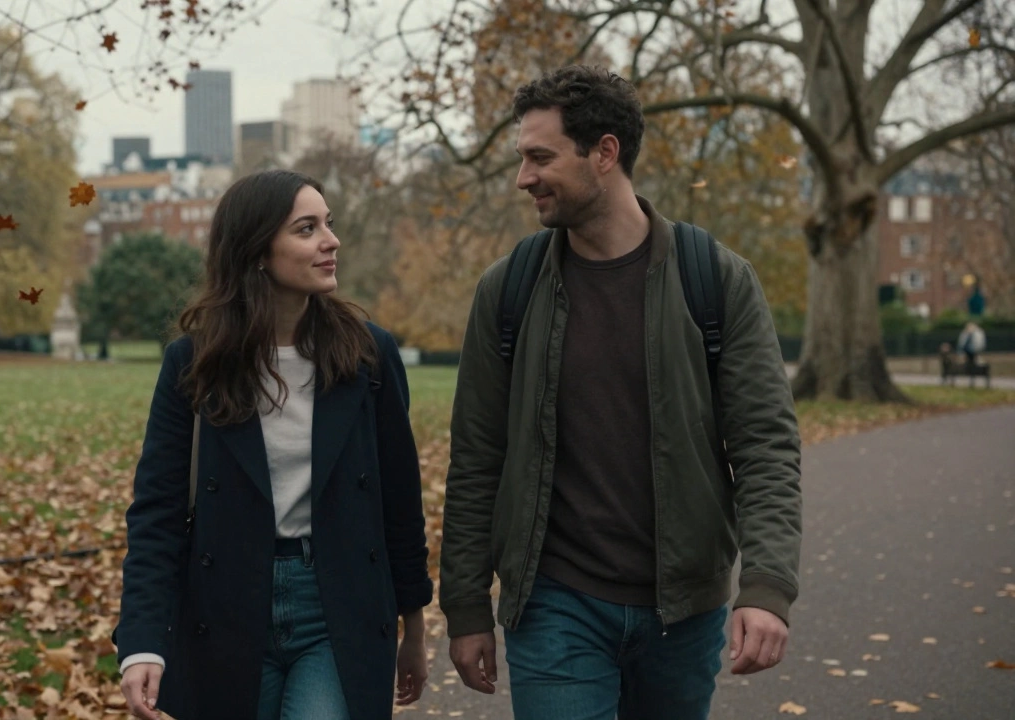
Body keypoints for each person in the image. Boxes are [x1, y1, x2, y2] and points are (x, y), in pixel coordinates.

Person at [438, 65, 803, 720]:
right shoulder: (509, 290)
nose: (524, 177)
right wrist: (464, 605)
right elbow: (476, 460)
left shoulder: (714, 279)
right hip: (554, 606)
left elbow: (765, 449)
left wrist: (767, 586)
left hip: (684, 612)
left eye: (539, 157)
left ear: (604, 152)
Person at [114, 169, 433, 720]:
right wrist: (142, 641)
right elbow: (156, 514)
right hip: (226, 605)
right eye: (307, 229)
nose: (331, 241)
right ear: (257, 250)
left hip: (337, 604)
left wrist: (414, 626)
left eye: (328, 225)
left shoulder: (367, 356)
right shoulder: (194, 363)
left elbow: (400, 504)